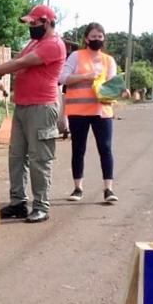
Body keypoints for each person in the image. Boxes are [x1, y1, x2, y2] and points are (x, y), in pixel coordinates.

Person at [0, 4, 66, 223]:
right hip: (22, 106)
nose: (31, 26)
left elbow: (21, 63)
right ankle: (18, 203)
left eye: (35, 23)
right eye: (29, 23)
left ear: (48, 22)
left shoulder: (54, 45)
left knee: (39, 159)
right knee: (16, 156)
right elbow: (17, 64)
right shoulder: (33, 42)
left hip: (42, 107)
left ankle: (41, 205)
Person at [60, 22, 125, 204]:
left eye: (100, 37)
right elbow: (62, 78)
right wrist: (84, 77)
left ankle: (108, 189)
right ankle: (78, 188)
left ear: (103, 39)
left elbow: (112, 84)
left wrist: (120, 90)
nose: (96, 39)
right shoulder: (75, 56)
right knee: (78, 150)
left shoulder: (108, 60)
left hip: (101, 111)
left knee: (105, 149)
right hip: (78, 111)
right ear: (86, 38)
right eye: (93, 36)